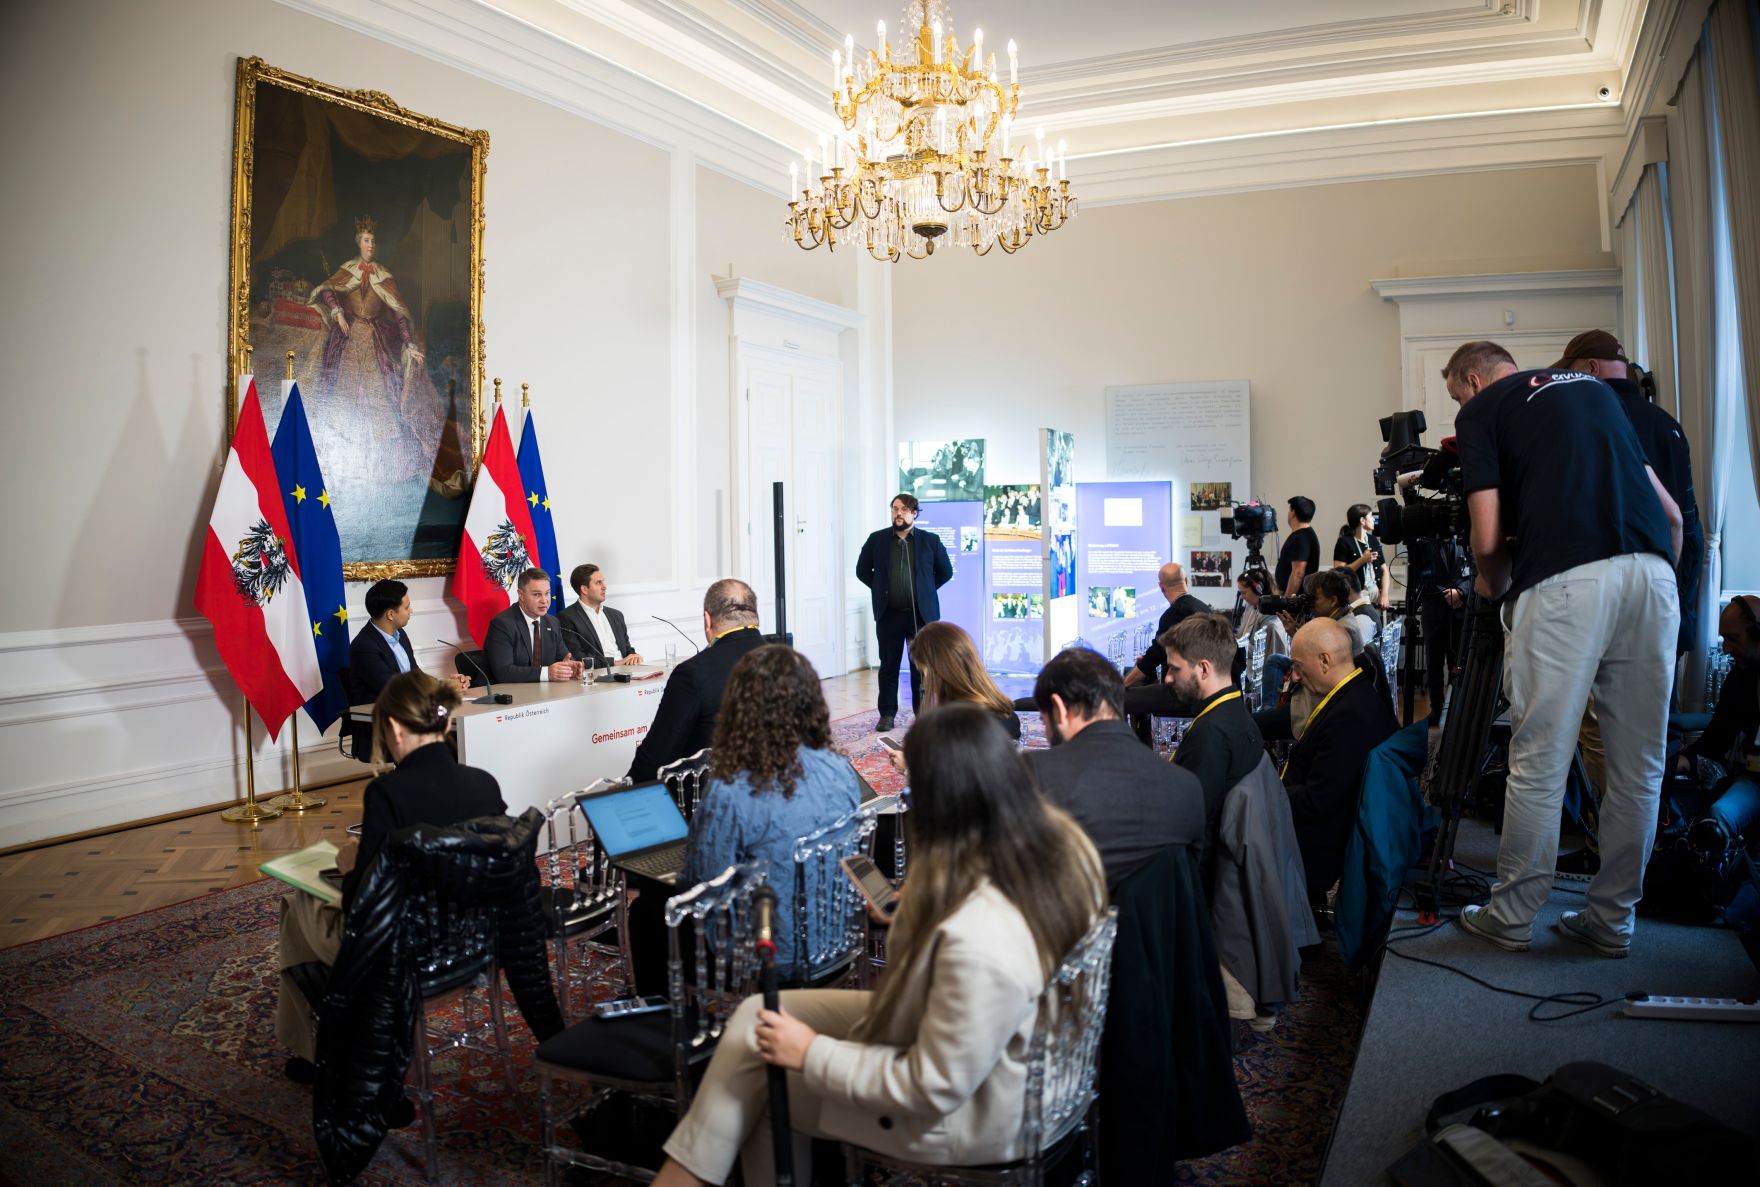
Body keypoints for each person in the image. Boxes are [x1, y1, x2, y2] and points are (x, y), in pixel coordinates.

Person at [651, 705, 1107, 1186]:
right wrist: (915, 903)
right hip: (1016, 1061)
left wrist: (810, 1053)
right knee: (756, 1018)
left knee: (766, 1084)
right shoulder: (1058, 851)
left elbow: (929, 1086)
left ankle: (683, 1176)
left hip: (978, 1114)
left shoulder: (977, 941)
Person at [1441, 341, 1682, 959]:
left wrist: (1492, 592)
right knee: (1639, 770)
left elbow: (1488, 534)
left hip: (1565, 580)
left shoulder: (1483, 409)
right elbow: (1674, 517)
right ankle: (1611, 922)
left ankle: (1513, 914)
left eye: (1455, 395)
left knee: (1540, 758)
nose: (1460, 406)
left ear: (1472, 378)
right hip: (1655, 574)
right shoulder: (1596, 392)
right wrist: (1651, 577)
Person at [275, 672, 505, 1079]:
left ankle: (319, 1050)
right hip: (476, 941)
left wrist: (350, 865)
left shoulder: (389, 793)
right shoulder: (484, 783)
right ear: (447, 723)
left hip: (408, 952)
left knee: (298, 902)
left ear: (394, 727)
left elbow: (366, 898)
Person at [678, 645, 860, 979]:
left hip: (772, 956)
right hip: (836, 938)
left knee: (653, 912)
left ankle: (675, 1023)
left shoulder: (731, 790)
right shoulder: (840, 769)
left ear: (740, 708)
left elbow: (702, 884)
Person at [1554, 330, 1705, 659]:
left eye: (1570, 372)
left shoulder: (1591, 421)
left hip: (1612, 602)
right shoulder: (1668, 424)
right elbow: (1688, 522)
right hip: (1664, 594)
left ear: (1592, 367)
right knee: (1659, 706)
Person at [1027, 646, 1204, 890]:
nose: (1046, 733)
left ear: (1059, 709)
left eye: (1043, 721)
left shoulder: (1032, 777)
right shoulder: (1188, 788)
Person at [1275, 619, 1399, 904]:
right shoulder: (1355, 694)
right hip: (1322, 830)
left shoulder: (1349, 717)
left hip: (1313, 846)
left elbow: (1316, 801)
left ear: (1324, 661)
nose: (1294, 676)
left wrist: (1267, 792)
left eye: (1297, 666)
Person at [1164, 613, 1267, 895]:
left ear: (1204, 669)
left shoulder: (1210, 735)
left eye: (1174, 669)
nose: (1168, 677)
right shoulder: (1234, 713)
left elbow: (1194, 830)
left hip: (1207, 892)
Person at [627, 579, 767, 784]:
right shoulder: (793, 662)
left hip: (710, 801)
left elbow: (656, 756)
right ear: (756, 615)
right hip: (781, 793)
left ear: (707, 620)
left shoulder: (692, 673)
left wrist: (625, 796)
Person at [856, 493, 954, 731]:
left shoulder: (930, 541)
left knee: (920, 668)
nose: (897, 513)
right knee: (888, 666)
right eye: (894, 509)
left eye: (903, 509)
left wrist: (924, 592)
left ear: (914, 513)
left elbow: (946, 572)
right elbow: (862, 571)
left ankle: (923, 715)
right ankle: (887, 714)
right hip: (889, 614)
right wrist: (882, 589)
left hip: (920, 615)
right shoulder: (877, 540)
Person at [347, 578, 470, 755]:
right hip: (385, 721)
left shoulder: (400, 635)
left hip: (409, 709)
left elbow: (415, 675)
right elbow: (393, 686)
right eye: (406, 607)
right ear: (391, 614)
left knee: (455, 731)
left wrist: (445, 682)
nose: (411, 611)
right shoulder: (364, 646)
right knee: (446, 734)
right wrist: (442, 688)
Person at [1678, 598, 1760, 854]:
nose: (1726, 648)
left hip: (1754, 781)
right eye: (1724, 638)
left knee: (1719, 817)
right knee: (1708, 817)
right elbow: (1716, 738)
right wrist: (1685, 760)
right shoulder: (1740, 678)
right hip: (1749, 779)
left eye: (1733, 638)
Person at [1121, 563, 1211, 730]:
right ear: (1186, 580)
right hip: (1207, 688)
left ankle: (1137, 748)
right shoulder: (1203, 607)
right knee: (1136, 680)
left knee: (1120, 697)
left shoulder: (1174, 614)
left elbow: (1152, 659)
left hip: (1186, 694)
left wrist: (1124, 684)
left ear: (1161, 588)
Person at [900, 621, 1021, 742]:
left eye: (923, 673)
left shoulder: (965, 728)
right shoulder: (1001, 714)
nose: (924, 683)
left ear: (943, 670)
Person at [483, 568, 581, 684]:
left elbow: (564, 658)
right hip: (503, 694)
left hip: (542, 692)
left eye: (547, 593)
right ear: (521, 595)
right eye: (537, 594)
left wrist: (570, 667)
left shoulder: (552, 622)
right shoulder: (502, 624)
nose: (544, 600)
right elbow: (504, 672)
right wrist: (547, 673)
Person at [558, 563, 643, 669]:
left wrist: (634, 656)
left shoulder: (616, 615)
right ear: (584, 589)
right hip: (598, 675)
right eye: (598, 583)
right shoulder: (567, 617)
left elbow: (627, 649)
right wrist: (616, 662)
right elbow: (578, 658)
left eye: (603, 581)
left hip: (628, 670)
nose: (604, 587)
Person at [1333, 503, 1391, 613]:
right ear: (1362, 521)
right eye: (1371, 516)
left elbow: (1384, 571)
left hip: (1375, 595)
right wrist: (1363, 560)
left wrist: (1384, 595)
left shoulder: (1373, 540)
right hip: (1356, 597)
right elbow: (1338, 572)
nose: (1374, 519)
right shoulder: (1344, 542)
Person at [1274, 496, 1320, 597]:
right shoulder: (1304, 534)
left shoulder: (1301, 537)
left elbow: (1298, 573)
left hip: (1296, 598)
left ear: (1293, 513)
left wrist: (1287, 601)